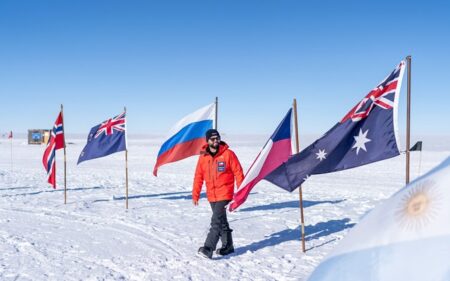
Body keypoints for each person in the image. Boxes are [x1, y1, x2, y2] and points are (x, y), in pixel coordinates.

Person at [192, 129, 244, 259]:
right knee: (222, 221)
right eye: (213, 139)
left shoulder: (228, 154)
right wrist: (195, 194)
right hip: (212, 194)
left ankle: (208, 248)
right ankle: (228, 246)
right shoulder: (203, 157)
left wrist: (241, 192)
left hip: (225, 193)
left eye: (218, 138)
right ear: (207, 141)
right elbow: (198, 176)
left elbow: (238, 172)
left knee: (216, 221)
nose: (216, 141)